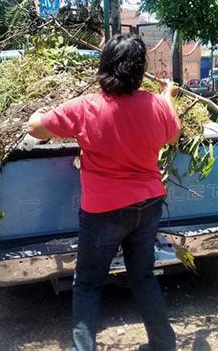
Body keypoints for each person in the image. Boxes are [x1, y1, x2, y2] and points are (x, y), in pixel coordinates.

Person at [27, 34, 180, 351]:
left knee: (87, 284)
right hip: (148, 204)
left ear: (105, 66)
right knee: (143, 277)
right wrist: (168, 95)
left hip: (104, 212)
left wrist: (35, 114)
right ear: (139, 71)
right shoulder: (155, 105)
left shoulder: (86, 107)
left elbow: (36, 130)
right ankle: (164, 345)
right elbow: (173, 131)